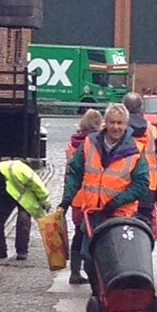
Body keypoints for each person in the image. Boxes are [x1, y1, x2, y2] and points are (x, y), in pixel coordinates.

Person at [60, 102, 149, 312]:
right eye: (112, 122)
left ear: (126, 124)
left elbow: (141, 183)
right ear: (105, 123)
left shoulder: (135, 151)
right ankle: (99, 296)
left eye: (120, 123)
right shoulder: (90, 144)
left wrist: (117, 201)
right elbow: (75, 172)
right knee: (90, 259)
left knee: (116, 260)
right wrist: (66, 199)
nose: (116, 127)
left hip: (119, 214)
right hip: (92, 212)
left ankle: (116, 304)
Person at [0, 158, 51, 261]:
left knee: (23, 220)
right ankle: (0, 251)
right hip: (6, 197)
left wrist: (45, 200)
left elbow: (36, 184)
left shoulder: (17, 169)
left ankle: (22, 251)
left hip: (25, 196)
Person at [123, 91, 157, 230]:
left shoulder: (115, 128)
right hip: (147, 191)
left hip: (119, 188)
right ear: (141, 108)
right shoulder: (151, 131)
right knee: (143, 233)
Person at [66, 109, 102, 284]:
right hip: (91, 196)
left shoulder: (72, 143)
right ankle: (93, 270)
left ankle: (75, 271)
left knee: (78, 235)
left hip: (76, 199)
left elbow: (70, 171)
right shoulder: (96, 143)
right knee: (92, 236)